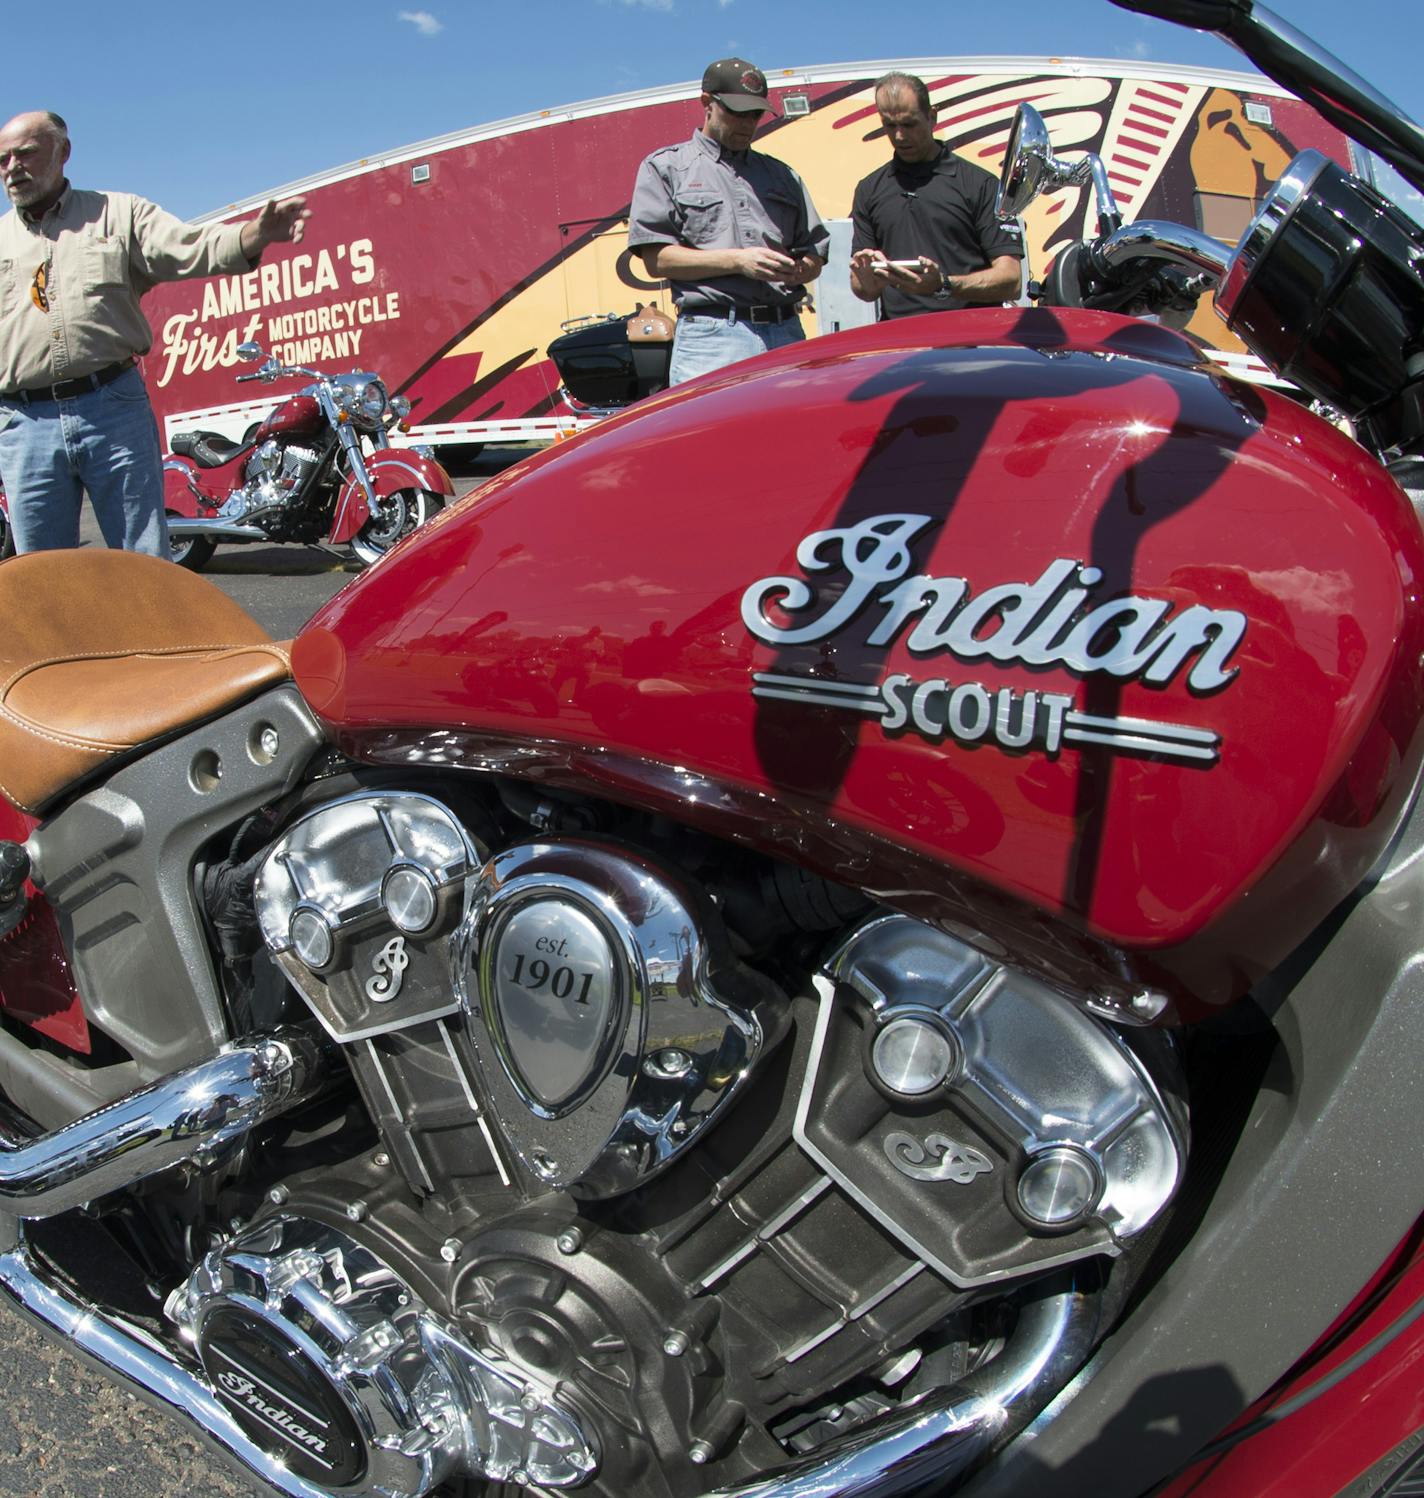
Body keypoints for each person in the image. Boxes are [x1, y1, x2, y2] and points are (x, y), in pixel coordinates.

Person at [0, 110, 310, 557]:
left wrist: (252, 236)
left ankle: (154, 632)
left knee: (143, 562)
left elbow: (189, 248)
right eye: (3, 159)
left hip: (111, 408)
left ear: (63, 152)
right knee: (40, 579)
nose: (13, 167)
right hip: (25, 423)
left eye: (25, 153)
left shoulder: (118, 215)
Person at [629, 59, 829, 385]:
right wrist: (738, 260)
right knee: (711, 436)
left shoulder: (782, 175)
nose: (747, 124)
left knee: (790, 435)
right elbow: (657, 260)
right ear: (707, 103)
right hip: (713, 337)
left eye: (755, 115)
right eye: (736, 112)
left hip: (786, 330)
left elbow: (813, 251)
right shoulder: (667, 168)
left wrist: (803, 267)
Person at [849, 74, 1023, 320]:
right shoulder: (869, 189)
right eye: (889, 125)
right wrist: (866, 280)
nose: (899, 136)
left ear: (932, 117)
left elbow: (1011, 279)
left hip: (970, 339)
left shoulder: (979, 184)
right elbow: (864, 290)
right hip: (899, 342)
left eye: (909, 124)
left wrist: (943, 285)